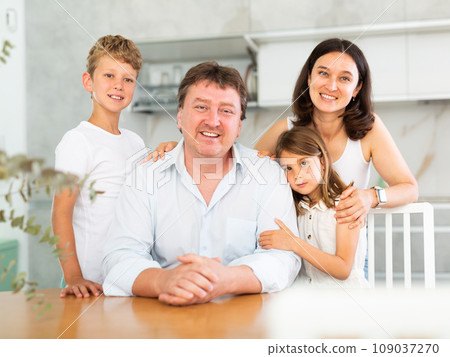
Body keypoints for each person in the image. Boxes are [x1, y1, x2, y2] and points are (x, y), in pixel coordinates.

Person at [149, 38, 418, 229]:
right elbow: (238, 163)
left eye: (345, 78)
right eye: (323, 73)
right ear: (309, 78)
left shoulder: (369, 130)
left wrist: (370, 197)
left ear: (357, 88)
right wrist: (185, 146)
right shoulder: (286, 129)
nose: (331, 85)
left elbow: (409, 188)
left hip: (345, 256)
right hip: (292, 252)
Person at [102, 61, 301, 305]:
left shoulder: (268, 176)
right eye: (201, 107)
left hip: (244, 323)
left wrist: (227, 279)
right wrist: (163, 281)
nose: (213, 120)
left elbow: (283, 258)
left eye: (226, 111)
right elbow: (119, 257)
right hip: (162, 318)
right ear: (179, 116)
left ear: (239, 125)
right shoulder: (145, 175)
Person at [52, 35, 146, 298]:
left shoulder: (135, 142)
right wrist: (73, 277)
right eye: (109, 75)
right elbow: (60, 213)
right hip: (88, 282)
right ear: (88, 81)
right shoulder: (78, 141)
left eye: (128, 79)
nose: (119, 85)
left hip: (125, 277)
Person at [258, 127, 368, 287]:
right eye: (288, 168)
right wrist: (267, 165)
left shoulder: (345, 204)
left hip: (347, 303)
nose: (298, 175)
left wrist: (294, 243)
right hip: (310, 302)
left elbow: (343, 269)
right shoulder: (297, 207)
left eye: (303, 163)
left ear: (323, 162)